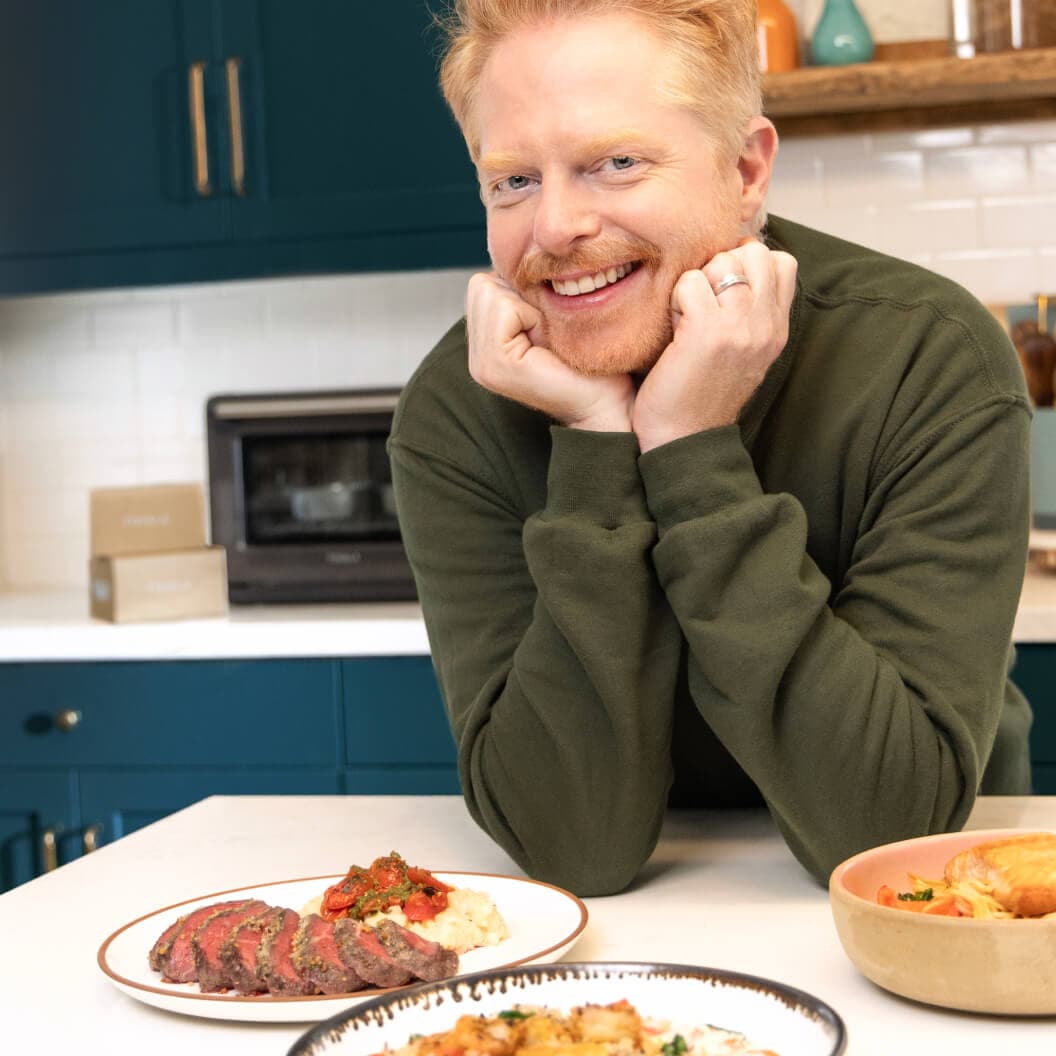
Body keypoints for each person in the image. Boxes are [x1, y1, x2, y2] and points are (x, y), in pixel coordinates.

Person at [387, 0, 1033, 896]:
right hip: (630, 944)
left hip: (933, 931)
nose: (556, 228)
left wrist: (691, 445)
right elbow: (571, 848)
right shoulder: (458, 409)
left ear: (745, 169)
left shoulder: (927, 355)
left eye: (616, 164)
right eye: (514, 182)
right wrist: (596, 444)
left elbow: (888, 836)